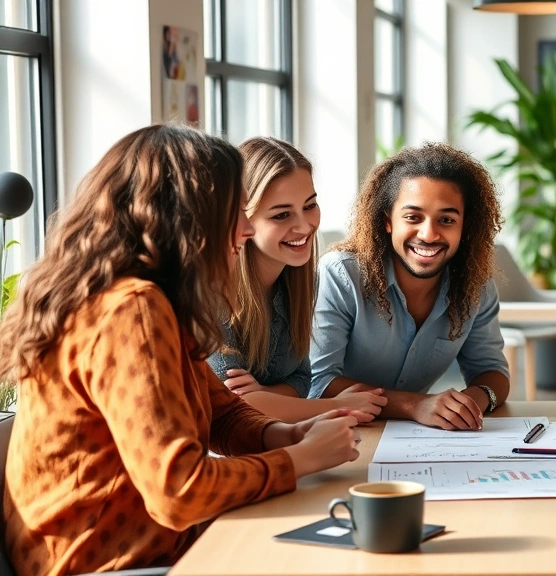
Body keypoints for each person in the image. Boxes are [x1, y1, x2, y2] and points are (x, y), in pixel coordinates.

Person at [0, 125, 361, 576]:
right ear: (188, 220)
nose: (248, 228)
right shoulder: (131, 309)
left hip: (155, 546)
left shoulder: (156, 299)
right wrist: (299, 460)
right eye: (234, 211)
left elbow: (223, 413)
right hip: (105, 566)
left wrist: (282, 435)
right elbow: (180, 491)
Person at [309, 142, 510, 431]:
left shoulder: (474, 286)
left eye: (446, 220)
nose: (429, 234)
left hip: (412, 437)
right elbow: (320, 382)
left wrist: (469, 402)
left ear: (465, 226)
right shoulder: (341, 275)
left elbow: (492, 372)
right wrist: (414, 405)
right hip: (337, 431)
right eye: (413, 217)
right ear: (387, 221)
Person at [206, 136, 387, 424]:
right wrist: (338, 406)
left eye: (310, 205)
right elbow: (230, 405)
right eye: (281, 215)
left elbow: (302, 379)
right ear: (242, 219)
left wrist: (265, 396)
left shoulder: (301, 283)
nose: (304, 226)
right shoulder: (212, 294)